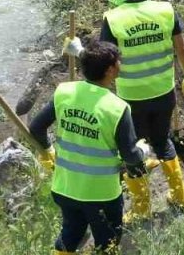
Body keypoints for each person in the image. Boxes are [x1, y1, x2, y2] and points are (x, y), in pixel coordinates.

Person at [100, 0, 184, 221]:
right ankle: (180, 197)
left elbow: (104, 58)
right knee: (162, 139)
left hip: (131, 97)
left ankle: (142, 209)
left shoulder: (113, 18)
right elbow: (183, 49)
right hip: (164, 92)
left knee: (133, 148)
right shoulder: (165, 10)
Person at [29, 42, 149, 255]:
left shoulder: (64, 92)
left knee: (70, 235)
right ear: (110, 70)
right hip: (100, 194)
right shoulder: (117, 108)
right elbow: (130, 156)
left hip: (65, 187)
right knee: (107, 243)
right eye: (118, 61)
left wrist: (48, 151)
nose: (121, 64)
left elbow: (36, 127)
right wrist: (143, 152)